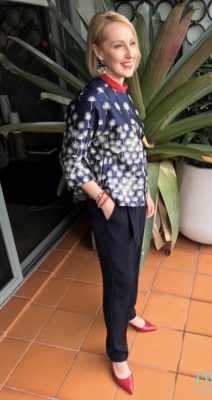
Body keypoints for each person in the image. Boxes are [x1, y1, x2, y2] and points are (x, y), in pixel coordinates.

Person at [59, 10, 156, 395]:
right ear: (98, 51)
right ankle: (117, 352)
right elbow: (71, 158)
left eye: (132, 43)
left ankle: (129, 313)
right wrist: (101, 198)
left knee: (131, 267)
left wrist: (145, 191)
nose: (129, 52)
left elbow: (131, 151)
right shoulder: (91, 98)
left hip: (134, 200)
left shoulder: (123, 91)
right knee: (118, 281)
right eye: (119, 45)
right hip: (110, 205)